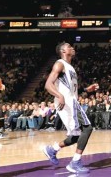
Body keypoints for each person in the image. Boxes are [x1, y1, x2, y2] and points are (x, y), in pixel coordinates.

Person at [43, 42, 99, 174]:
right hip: (67, 101)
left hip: (70, 100)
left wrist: (86, 89)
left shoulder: (70, 67)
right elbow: (48, 84)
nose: (72, 48)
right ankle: (75, 162)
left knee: (76, 135)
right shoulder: (60, 64)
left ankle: (52, 149)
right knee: (87, 128)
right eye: (69, 47)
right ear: (63, 51)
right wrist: (59, 95)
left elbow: (70, 88)